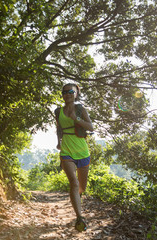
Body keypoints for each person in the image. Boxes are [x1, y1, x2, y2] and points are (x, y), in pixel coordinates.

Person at [55, 83, 94, 232]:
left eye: (71, 91)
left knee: (82, 187)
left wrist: (75, 118)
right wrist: (58, 143)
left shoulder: (80, 109)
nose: (68, 94)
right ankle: (79, 217)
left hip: (82, 151)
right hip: (66, 151)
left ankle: (77, 200)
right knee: (74, 183)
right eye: (65, 92)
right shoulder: (58, 111)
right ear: (62, 94)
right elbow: (58, 128)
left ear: (76, 93)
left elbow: (91, 127)